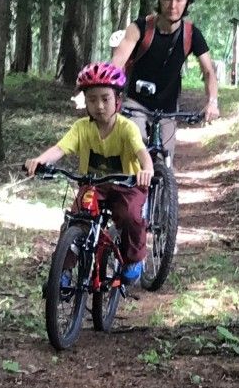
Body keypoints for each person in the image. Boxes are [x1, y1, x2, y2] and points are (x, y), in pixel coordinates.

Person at [25, 62, 154, 284]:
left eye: (105, 99)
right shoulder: (81, 127)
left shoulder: (127, 128)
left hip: (127, 186)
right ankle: (63, 271)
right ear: (85, 101)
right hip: (94, 185)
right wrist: (40, 161)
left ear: (118, 100)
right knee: (75, 222)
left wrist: (147, 169)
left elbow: (142, 152)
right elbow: (60, 148)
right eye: (92, 99)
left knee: (131, 215)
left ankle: (134, 259)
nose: (99, 106)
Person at [111, 0, 220, 160]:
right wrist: (108, 94)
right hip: (136, 102)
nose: (172, 5)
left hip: (168, 107)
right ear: (159, 0)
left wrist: (212, 102)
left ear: (187, 2)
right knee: (137, 145)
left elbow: (209, 71)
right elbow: (116, 65)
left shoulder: (191, 34)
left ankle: (165, 188)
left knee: (165, 158)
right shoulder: (139, 28)